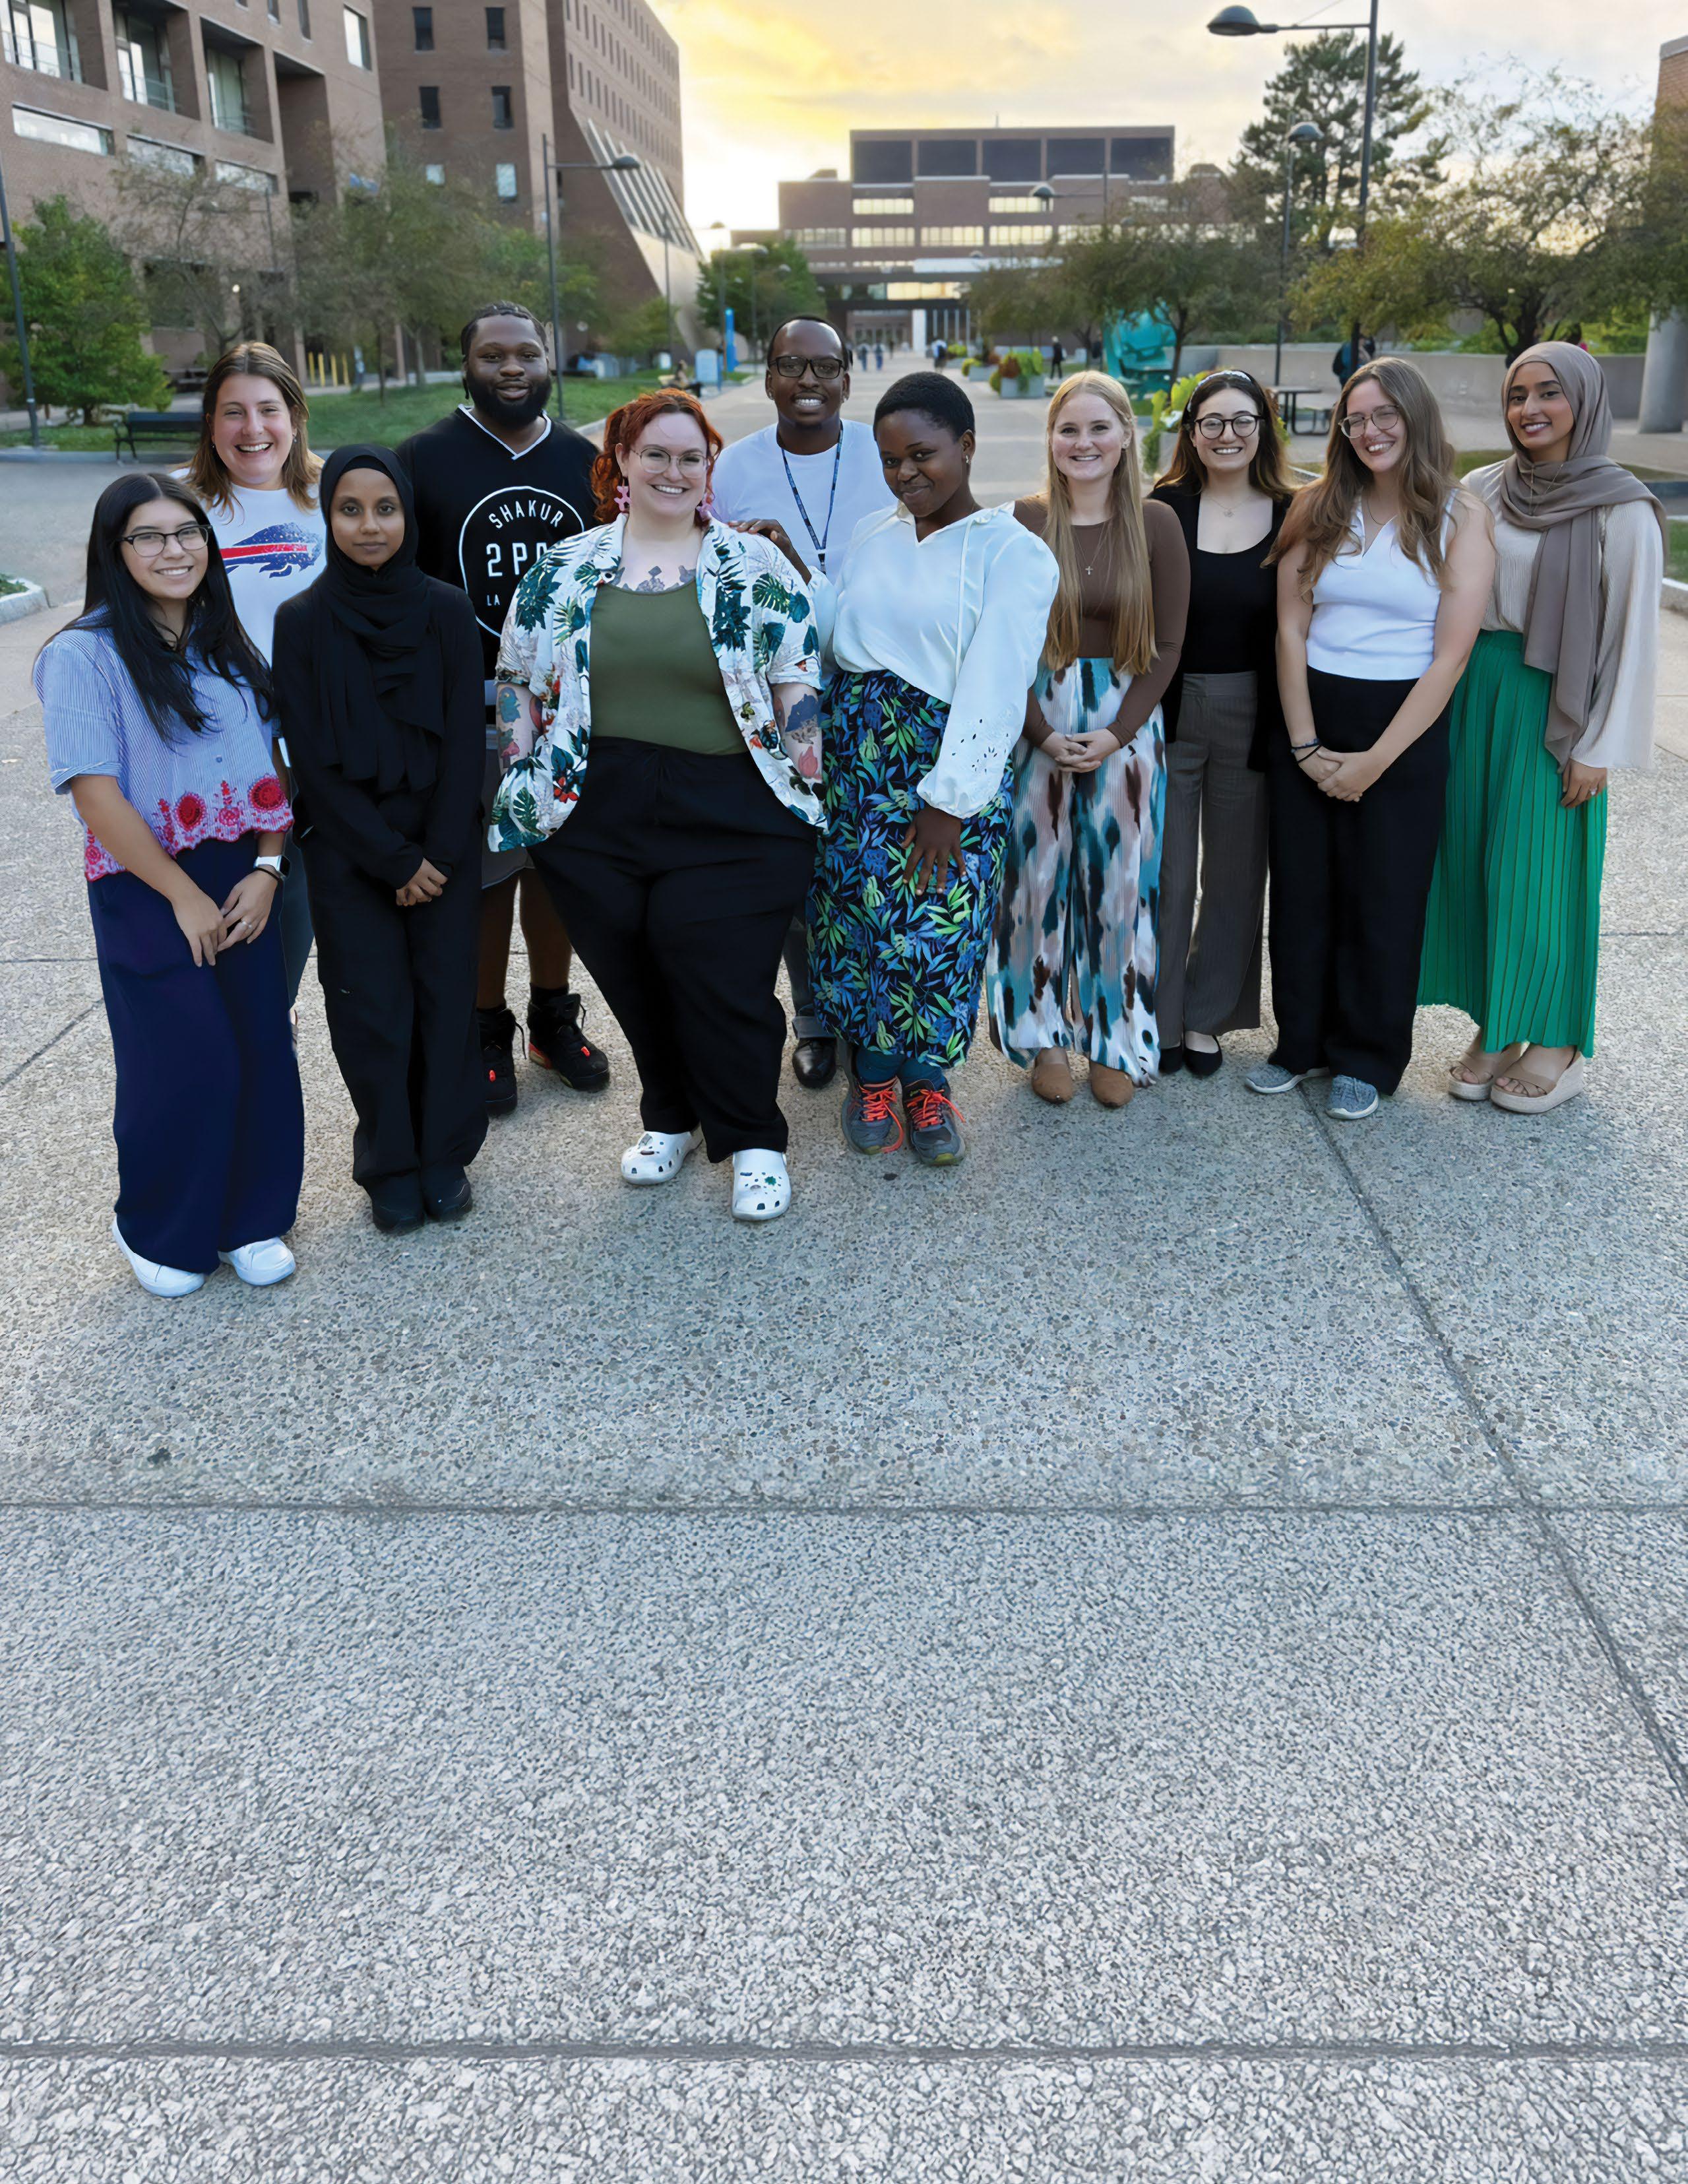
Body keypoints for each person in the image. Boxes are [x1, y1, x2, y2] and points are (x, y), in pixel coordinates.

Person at [489, 390, 825, 1223]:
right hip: (594, 806)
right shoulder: (564, 566)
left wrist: (808, 786)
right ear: (622, 464)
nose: (674, 471)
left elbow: (796, 680)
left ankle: (754, 1140)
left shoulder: (753, 564)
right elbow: (517, 679)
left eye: (691, 457)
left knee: (724, 977)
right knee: (632, 972)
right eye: (656, 455)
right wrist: (522, 778)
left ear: (710, 469)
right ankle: (670, 1116)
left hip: (734, 805)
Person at [36, 474, 302, 1297]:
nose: (174, 551)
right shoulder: (82, 655)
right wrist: (180, 894)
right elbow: (95, 793)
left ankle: (252, 1216)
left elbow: (273, 767)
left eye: (187, 533)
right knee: (186, 1057)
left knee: (259, 1044)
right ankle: (158, 1224)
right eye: (148, 536)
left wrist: (268, 867)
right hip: (146, 879)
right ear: (114, 552)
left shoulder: (227, 644)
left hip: (243, 871)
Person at [785, 371, 1058, 1164]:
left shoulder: (1013, 552)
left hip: (943, 765)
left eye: (922, 454)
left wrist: (950, 799)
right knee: (859, 922)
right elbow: (840, 637)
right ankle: (872, 1074)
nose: (905, 473)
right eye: (889, 459)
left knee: (937, 929)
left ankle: (927, 1081)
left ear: (966, 447)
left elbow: (998, 680)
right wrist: (796, 568)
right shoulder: (875, 531)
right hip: (857, 763)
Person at [1420, 342, 1665, 1114]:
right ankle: (1499, 1024)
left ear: (1585, 401)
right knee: (1476, 866)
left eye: (1550, 393)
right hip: (1476, 691)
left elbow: (1631, 638)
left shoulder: (1622, 508)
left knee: (1542, 877)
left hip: (1554, 707)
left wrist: (1598, 745)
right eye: (1517, 394)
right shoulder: (1483, 489)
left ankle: (1558, 1039)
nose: (1530, 409)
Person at [1255, 358, 1494, 1120]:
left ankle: (1367, 1056)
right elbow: (1291, 627)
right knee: (1303, 891)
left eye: (1384, 414)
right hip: (1310, 714)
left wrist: (1375, 762)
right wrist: (1304, 745)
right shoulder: (1317, 506)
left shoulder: (1460, 516)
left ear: (1415, 417)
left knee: (1384, 897)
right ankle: (1301, 1043)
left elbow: (1451, 656)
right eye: (1354, 419)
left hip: (1403, 728)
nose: (1369, 431)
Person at [397, 301, 610, 1117]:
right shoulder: (423, 460)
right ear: (466, 367)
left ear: (550, 361)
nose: (512, 367)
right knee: (486, 874)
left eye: (527, 352)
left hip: (567, 708)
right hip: (469, 708)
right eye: (493, 355)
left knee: (555, 868)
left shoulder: (585, 463)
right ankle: (487, 1026)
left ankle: (553, 1017)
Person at [272, 449, 487, 1231]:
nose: (370, 525)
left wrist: (437, 855)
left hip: (444, 843)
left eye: (386, 508)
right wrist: (392, 860)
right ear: (328, 517)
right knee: (372, 1011)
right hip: (350, 849)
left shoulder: (447, 610)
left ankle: (444, 1154)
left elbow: (464, 741)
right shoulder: (301, 621)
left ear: (408, 515)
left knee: (445, 1000)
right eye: (350, 509)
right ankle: (390, 1161)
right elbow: (310, 760)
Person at [987, 370, 1189, 1107]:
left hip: (1124, 723)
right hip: (1033, 719)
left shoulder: (1156, 523)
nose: (1084, 443)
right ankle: (1041, 1038)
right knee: (1032, 884)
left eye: (1099, 428)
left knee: (1120, 887)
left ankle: (1113, 1038)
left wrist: (1116, 733)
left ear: (1126, 435)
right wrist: (1041, 733)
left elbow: (1168, 645)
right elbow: (999, 642)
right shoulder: (1021, 521)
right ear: (1050, 439)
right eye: (1068, 429)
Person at [710, 313, 895, 1092]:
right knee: (795, 859)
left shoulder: (885, 453)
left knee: (869, 859)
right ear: (769, 377)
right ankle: (814, 1016)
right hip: (783, 689)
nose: (809, 381)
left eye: (825, 367)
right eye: (792, 365)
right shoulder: (734, 466)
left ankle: (873, 1017)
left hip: (876, 682)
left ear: (848, 377)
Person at [1149, 368, 1294, 1077]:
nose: (1227, 434)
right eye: (1211, 421)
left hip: (1254, 710)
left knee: (1235, 875)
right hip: (1168, 709)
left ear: (1263, 429)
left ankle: (1207, 1016)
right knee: (1169, 874)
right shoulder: (1162, 509)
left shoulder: (1295, 511)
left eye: (1242, 420)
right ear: (1191, 432)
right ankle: (1159, 1017)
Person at [183, 342, 326, 1008]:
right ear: (211, 424)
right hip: (220, 757)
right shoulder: (179, 508)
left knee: (313, 936)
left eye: (268, 409)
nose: (253, 428)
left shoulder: (336, 497)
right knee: (239, 949)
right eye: (233, 412)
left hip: (325, 752)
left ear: (295, 416)